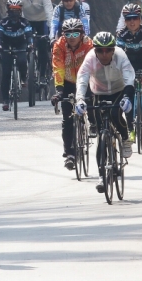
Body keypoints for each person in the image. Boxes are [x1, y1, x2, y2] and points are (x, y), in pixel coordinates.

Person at [75, 32, 135, 194]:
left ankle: (124, 137)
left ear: (113, 50)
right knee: (101, 133)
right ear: (95, 50)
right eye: (100, 50)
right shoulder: (90, 59)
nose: (104, 54)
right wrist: (80, 100)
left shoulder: (120, 56)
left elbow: (130, 78)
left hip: (119, 90)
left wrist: (128, 98)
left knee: (116, 114)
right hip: (99, 92)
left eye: (108, 50)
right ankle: (102, 176)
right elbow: (82, 79)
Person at [50, 18, 93, 170]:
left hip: (86, 81)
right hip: (67, 82)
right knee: (67, 120)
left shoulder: (89, 45)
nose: (72, 37)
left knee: (93, 101)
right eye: (68, 34)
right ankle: (69, 154)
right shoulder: (59, 46)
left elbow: (94, 66)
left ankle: (93, 122)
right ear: (63, 35)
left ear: (82, 34)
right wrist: (59, 91)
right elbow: (58, 67)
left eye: (76, 33)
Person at [15, 0, 54, 87]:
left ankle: (42, 76)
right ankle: (26, 70)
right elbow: (18, 12)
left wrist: (51, 29)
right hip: (28, 22)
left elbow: (49, 12)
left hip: (42, 22)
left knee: (42, 47)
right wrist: (19, 28)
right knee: (25, 45)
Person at [0, 0, 34, 111]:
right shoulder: (3, 22)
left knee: (22, 61)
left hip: (20, 44)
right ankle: (6, 100)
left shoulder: (24, 22)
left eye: (17, 9)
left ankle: (23, 77)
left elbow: (29, 34)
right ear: (8, 10)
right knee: (6, 74)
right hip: (6, 46)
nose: (14, 12)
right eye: (12, 9)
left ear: (20, 10)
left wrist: (30, 44)